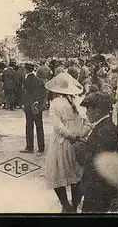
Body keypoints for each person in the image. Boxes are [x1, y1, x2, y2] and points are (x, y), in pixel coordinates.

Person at [44, 72, 88, 213]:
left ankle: (66, 205)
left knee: (57, 173)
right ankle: (74, 206)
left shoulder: (56, 103)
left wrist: (70, 136)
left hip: (61, 144)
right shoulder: (78, 101)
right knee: (76, 176)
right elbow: (87, 121)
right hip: (77, 142)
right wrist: (79, 135)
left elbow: (58, 127)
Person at [79, 91, 118, 213]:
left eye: (88, 109)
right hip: (98, 187)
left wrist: (82, 150)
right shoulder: (105, 126)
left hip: (98, 189)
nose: (86, 112)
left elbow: (97, 162)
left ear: (97, 110)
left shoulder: (105, 130)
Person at [20, 62, 46, 153]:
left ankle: (30, 147)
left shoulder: (26, 80)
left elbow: (25, 93)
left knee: (29, 126)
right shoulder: (39, 80)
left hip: (29, 106)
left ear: (26, 70)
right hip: (37, 106)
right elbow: (43, 93)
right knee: (39, 126)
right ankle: (41, 147)